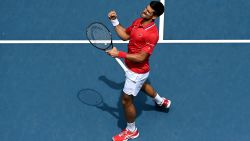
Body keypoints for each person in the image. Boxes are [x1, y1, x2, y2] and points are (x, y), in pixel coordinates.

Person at [106, 1, 171, 141]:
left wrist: (119, 54)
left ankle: (131, 131)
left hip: (137, 71)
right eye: (145, 9)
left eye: (148, 12)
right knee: (142, 85)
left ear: (154, 16)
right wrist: (114, 21)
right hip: (134, 70)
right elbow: (125, 36)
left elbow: (141, 57)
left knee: (126, 100)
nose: (144, 12)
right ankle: (161, 101)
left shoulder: (152, 34)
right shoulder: (138, 21)